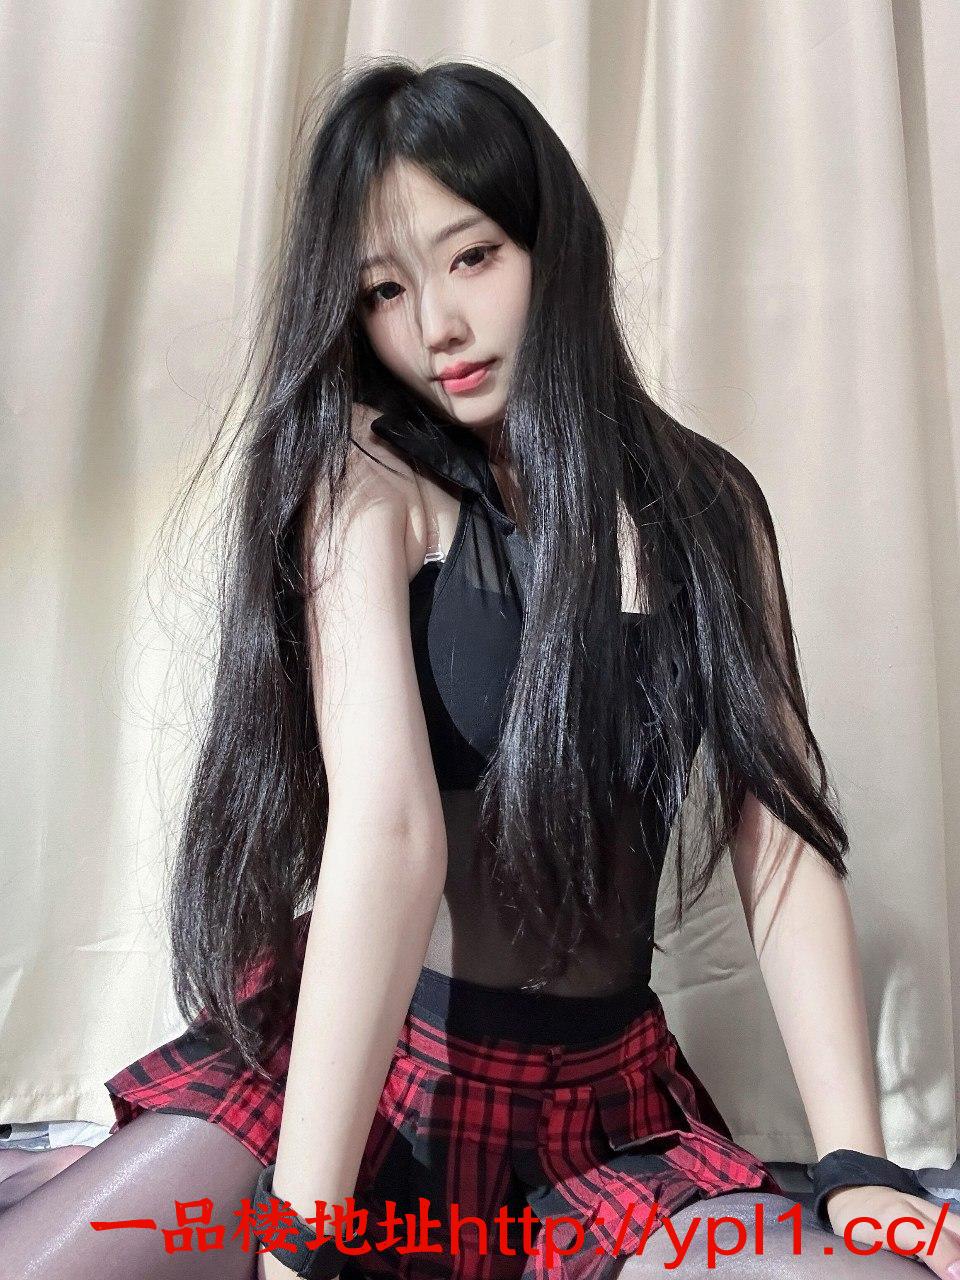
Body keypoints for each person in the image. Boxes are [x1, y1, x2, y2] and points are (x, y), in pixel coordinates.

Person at [1, 57, 958, 1280]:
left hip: (597, 1118)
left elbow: (778, 832)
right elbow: (389, 833)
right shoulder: (372, 486)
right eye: (384, 290)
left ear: (552, 242)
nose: (434, 328)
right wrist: (303, 1235)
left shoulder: (710, 507)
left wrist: (860, 1165)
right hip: (358, 1076)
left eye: (472, 258)